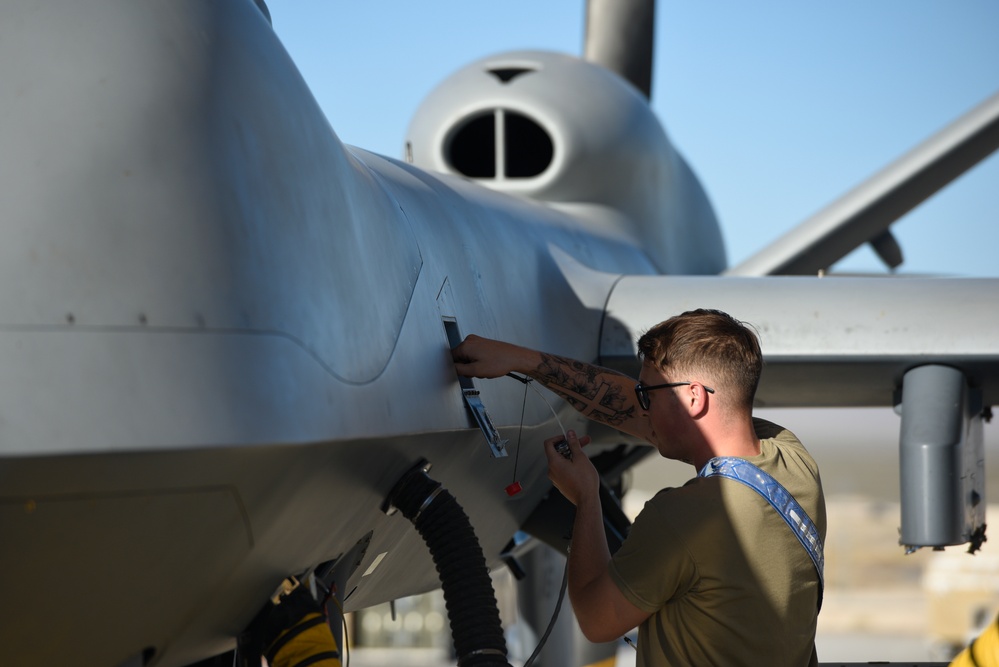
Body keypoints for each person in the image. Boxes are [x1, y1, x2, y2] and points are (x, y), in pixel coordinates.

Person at [452, 308, 826, 666]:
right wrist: (523, 361)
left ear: (694, 397)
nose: (641, 406)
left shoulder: (682, 517)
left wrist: (586, 497)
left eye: (648, 394)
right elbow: (641, 410)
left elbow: (597, 620)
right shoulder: (793, 460)